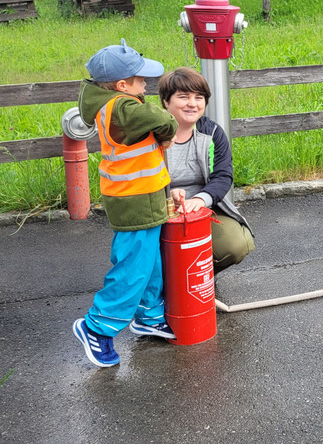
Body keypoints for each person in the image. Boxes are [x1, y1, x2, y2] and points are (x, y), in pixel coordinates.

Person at [73, 39, 179, 367]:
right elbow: (160, 118)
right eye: (140, 80)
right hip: (133, 199)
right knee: (133, 266)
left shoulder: (116, 104)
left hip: (145, 194)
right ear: (122, 85)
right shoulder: (122, 108)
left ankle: (149, 315)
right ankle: (97, 327)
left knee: (151, 262)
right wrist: (169, 127)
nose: (145, 85)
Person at [158, 67, 254, 273]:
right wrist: (166, 195)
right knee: (153, 258)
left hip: (201, 208)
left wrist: (200, 200)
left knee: (236, 244)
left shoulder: (212, 133)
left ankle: (199, 277)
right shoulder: (151, 134)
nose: (192, 104)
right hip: (157, 210)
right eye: (183, 97)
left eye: (199, 97)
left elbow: (223, 175)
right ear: (166, 101)